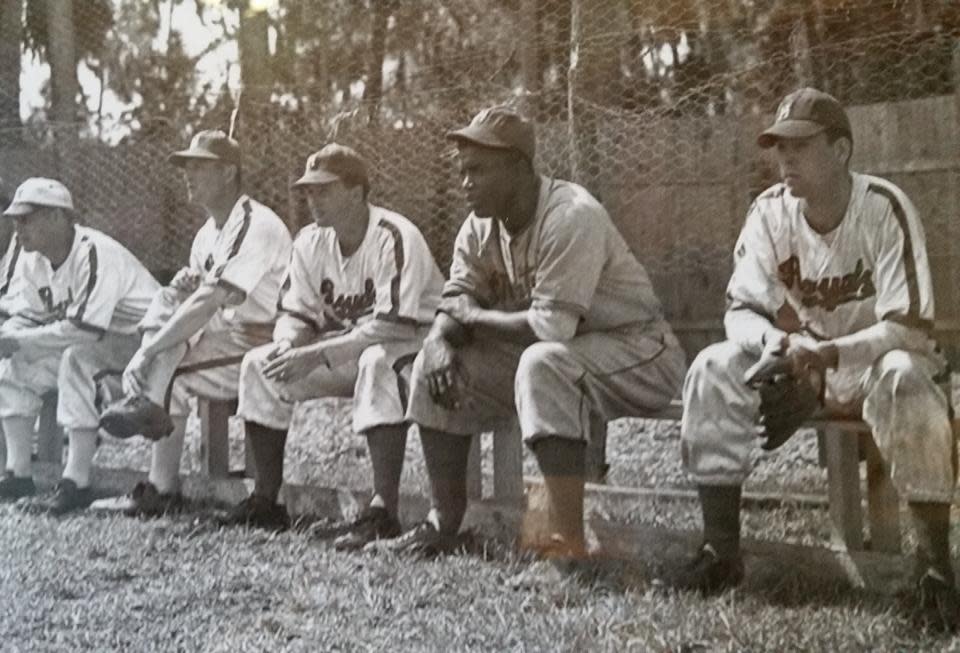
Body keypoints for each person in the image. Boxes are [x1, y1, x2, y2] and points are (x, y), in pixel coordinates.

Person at [677, 87, 958, 631]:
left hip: (878, 360)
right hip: (803, 361)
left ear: (842, 151)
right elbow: (740, 311)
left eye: (801, 147)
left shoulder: (883, 207)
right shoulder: (768, 213)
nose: (785, 160)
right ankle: (721, 553)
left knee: (905, 378)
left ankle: (934, 570)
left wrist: (827, 354)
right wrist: (777, 347)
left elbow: (908, 325)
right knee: (713, 366)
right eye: (780, 147)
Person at [385, 105, 687, 557]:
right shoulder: (478, 225)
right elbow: (454, 300)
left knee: (543, 362)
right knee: (437, 362)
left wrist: (471, 319)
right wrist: (438, 340)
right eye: (463, 170)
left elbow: (551, 327)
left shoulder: (570, 215)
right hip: (561, 353)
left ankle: (567, 543)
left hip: (639, 351)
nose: (466, 182)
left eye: (479, 170)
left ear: (519, 168)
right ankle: (444, 525)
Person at [218, 144, 444, 539]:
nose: (312, 199)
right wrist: (289, 346)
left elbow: (395, 327)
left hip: (421, 344)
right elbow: (296, 313)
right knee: (260, 364)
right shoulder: (309, 241)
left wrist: (317, 353)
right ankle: (266, 501)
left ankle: (382, 510)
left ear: (356, 192)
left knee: (377, 361)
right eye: (308, 190)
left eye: (324, 189)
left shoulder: (393, 235)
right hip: (349, 345)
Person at [93, 130, 292, 517]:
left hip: (272, 340)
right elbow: (201, 300)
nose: (188, 174)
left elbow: (210, 302)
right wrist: (186, 287)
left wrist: (147, 352)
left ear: (229, 173)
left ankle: (159, 483)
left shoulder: (255, 222)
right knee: (170, 296)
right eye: (187, 166)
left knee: (171, 375)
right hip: (233, 334)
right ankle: (150, 422)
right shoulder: (207, 234)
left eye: (200, 167)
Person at [0, 177, 159, 513]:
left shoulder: (93, 251)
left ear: (58, 217)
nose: (18, 226)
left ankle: (76, 482)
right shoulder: (34, 259)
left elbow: (85, 330)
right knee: (15, 363)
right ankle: (18, 475)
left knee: (76, 359)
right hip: (100, 344)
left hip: (145, 347)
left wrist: (19, 339)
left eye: (27, 217)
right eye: (15, 218)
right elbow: (30, 317)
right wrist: (8, 339)